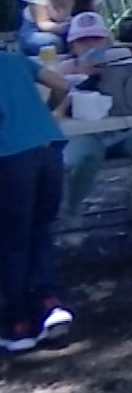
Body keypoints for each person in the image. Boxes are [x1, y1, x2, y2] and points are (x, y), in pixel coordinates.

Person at [57, 13, 132, 230]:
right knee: (88, 156)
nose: (90, 46)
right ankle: (71, 213)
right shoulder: (60, 71)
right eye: (83, 41)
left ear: (107, 42)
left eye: (96, 39)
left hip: (118, 134)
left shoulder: (122, 64)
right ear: (72, 46)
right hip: (80, 137)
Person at [0, 51, 73, 354]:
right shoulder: (13, 59)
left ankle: (19, 322)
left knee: (12, 239)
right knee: (39, 230)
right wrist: (47, 111)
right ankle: (48, 302)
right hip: (48, 148)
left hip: (12, 156)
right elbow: (62, 85)